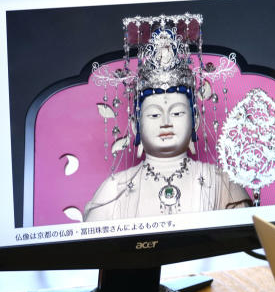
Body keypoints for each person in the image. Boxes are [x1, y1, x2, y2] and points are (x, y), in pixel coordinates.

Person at [85, 24, 250, 221]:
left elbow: (244, 241)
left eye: (177, 113)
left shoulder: (221, 181)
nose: (166, 123)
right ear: (134, 124)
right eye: (154, 115)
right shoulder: (114, 189)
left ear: (195, 121)